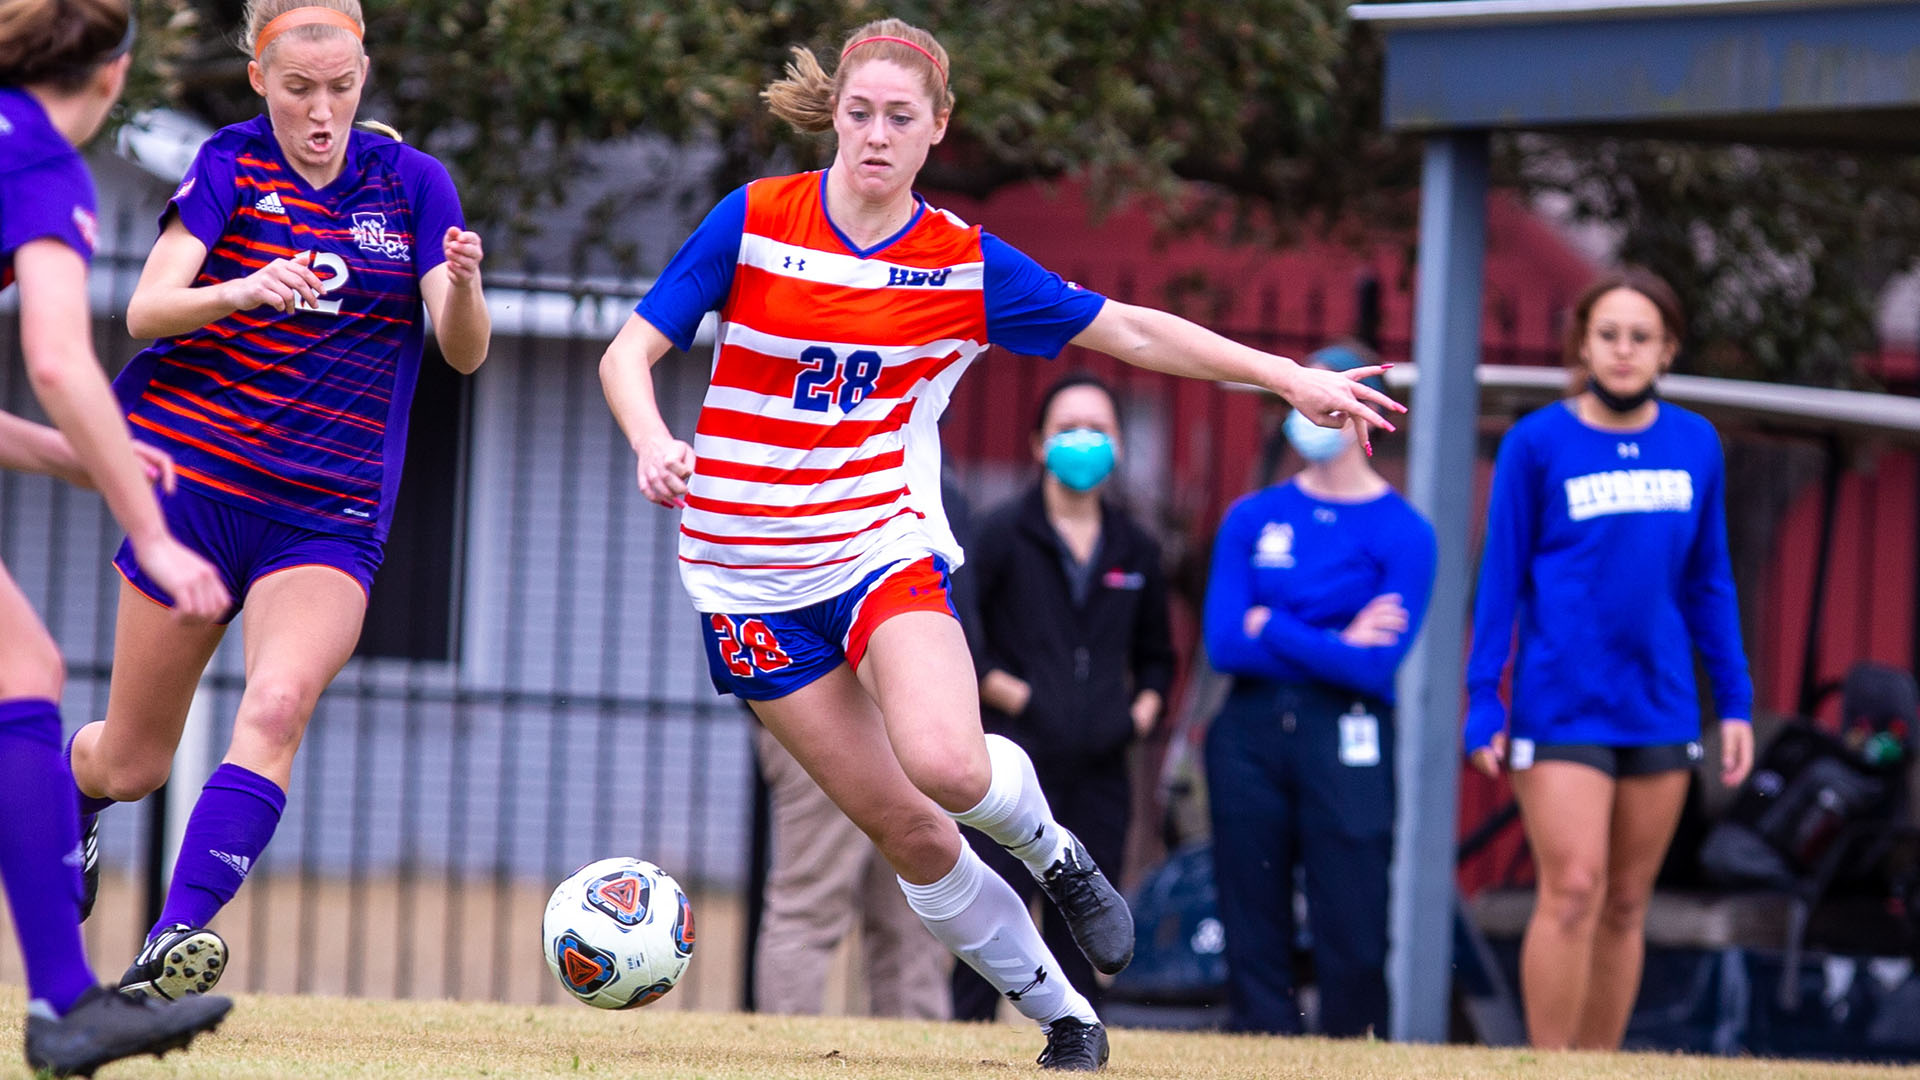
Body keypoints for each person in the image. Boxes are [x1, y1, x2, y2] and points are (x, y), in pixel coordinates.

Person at [599, 18, 1399, 1070]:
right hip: (743, 580)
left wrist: (1286, 376)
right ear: (833, 114)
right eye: (858, 114)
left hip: (876, 545)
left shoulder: (962, 262)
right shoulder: (755, 219)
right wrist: (656, 440)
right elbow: (629, 352)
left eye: (899, 118)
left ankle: (1056, 852)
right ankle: (1067, 1015)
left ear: (938, 128)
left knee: (945, 763)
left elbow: (1135, 330)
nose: (874, 136)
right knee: (914, 834)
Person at [60, 0, 492, 1001]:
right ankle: (72, 798)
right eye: (299, 89)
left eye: (341, 89)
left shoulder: (414, 184)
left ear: (364, 74)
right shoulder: (228, 165)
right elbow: (146, 308)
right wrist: (243, 288)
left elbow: (462, 352)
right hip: (199, 492)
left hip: (327, 515)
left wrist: (464, 287)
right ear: (260, 77)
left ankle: (170, 944)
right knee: (133, 762)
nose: (322, 111)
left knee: (279, 702)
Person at [0, 0, 236, 1072]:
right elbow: (59, 358)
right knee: (27, 676)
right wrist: (158, 532)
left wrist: (82, 458)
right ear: (112, 78)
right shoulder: (42, 166)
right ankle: (62, 1008)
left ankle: (63, 1005)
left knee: (25, 669)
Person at [1464, 268, 1755, 1050]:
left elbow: (1710, 582)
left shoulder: (1697, 442)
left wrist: (1734, 701)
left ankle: (1600, 1067)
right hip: (1560, 703)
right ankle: (1547, 1067)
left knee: (1628, 902)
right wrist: (1483, 698)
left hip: (1659, 704)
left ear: (1667, 350)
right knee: (1573, 889)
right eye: (1608, 335)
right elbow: (1499, 579)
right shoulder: (1537, 442)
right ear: (1582, 345)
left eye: (1641, 337)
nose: (1623, 351)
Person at [1200, 344, 1436, 1037]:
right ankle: (1261, 1045)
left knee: (1355, 921)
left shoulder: (1406, 532)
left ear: (1364, 413)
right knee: (1251, 915)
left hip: (1350, 733)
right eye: (1304, 395)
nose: (1312, 412)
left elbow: (1373, 668)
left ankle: (1352, 1051)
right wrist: (1334, 638)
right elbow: (1223, 643)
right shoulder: (1251, 518)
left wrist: (1273, 622)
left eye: (1331, 398)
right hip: (1248, 733)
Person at [953, 370, 1173, 1021]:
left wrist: (1136, 716)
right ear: (1038, 444)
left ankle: (1076, 1035)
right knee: (993, 911)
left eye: (1099, 430)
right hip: (1013, 761)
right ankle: (964, 1034)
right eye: (1068, 429)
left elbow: (1159, 656)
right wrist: (1020, 699)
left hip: (1103, 766)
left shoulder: (1137, 547)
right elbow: (964, 641)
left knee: (1086, 921)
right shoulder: (998, 534)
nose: (1085, 442)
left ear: (1120, 447)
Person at [753, 726, 954, 1019]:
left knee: (913, 912)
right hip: (816, 713)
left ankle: (918, 1051)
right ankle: (787, 1048)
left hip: (902, 726)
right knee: (809, 906)